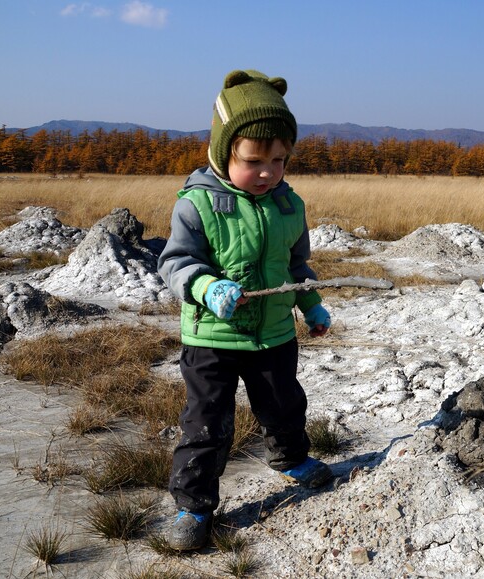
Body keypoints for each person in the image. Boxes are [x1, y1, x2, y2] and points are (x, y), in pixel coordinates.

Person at [158, 68, 333, 551]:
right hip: (211, 339)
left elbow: (298, 265)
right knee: (206, 423)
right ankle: (193, 507)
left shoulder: (289, 206)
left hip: (274, 333)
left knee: (283, 404)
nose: (267, 172)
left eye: (278, 161)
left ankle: (291, 460)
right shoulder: (197, 205)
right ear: (221, 152)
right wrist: (208, 287)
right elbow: (175, 262)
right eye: (253, 161)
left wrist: (311, 306)